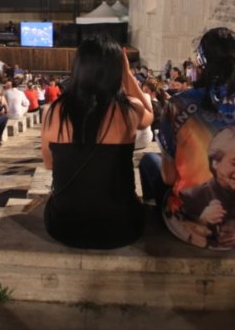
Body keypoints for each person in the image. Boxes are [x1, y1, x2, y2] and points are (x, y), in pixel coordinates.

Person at [140, 27, 235, 250]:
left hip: (189, 228)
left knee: (149, 162)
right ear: (215, 162)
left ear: (200, 63)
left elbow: (168, 177)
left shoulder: (177, 105)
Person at [42, 36, 153, 249]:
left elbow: (49, 164)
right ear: (117, 69)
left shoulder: (52, 111)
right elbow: (150, 114)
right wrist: (128, 74)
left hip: (64, 226)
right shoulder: (131, 109)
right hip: (123, 227)